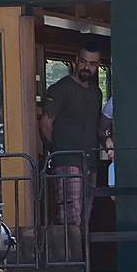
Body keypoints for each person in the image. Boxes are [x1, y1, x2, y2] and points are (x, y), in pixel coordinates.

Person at [41, 41, 108, 240]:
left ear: (98, 65)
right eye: (84, 62)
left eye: (93, 64)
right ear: (76, 61)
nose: (87, 67)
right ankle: (68, 258)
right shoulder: (60, 89)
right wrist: (57, 151)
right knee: (70, 218)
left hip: (90, 162)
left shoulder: (96, 92)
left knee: (85, 218)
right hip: (67, 161)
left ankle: (80, 258)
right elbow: (45, 124)